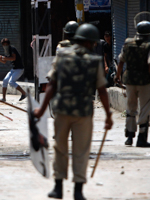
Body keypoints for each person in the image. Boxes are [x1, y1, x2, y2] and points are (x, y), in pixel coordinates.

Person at [34, 23, 113, 200]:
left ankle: (58, 187)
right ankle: (78, 190)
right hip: (83, 112)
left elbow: (51, 85)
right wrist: (108, 115)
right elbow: (102, 90)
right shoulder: (94, 61)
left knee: (60, 148)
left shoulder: (62, 56)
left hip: (62, 110)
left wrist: (41, 110)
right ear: (90, 43)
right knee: (81, 150)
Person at [114, 19, 150, 147]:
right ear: (149, 33)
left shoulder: (127, 43)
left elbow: (121, 61)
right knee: (145, 109)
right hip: (145, 82)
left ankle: (129, 137)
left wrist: (118, 76)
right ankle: (142, 138)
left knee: (130, 107)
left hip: (130, 81)